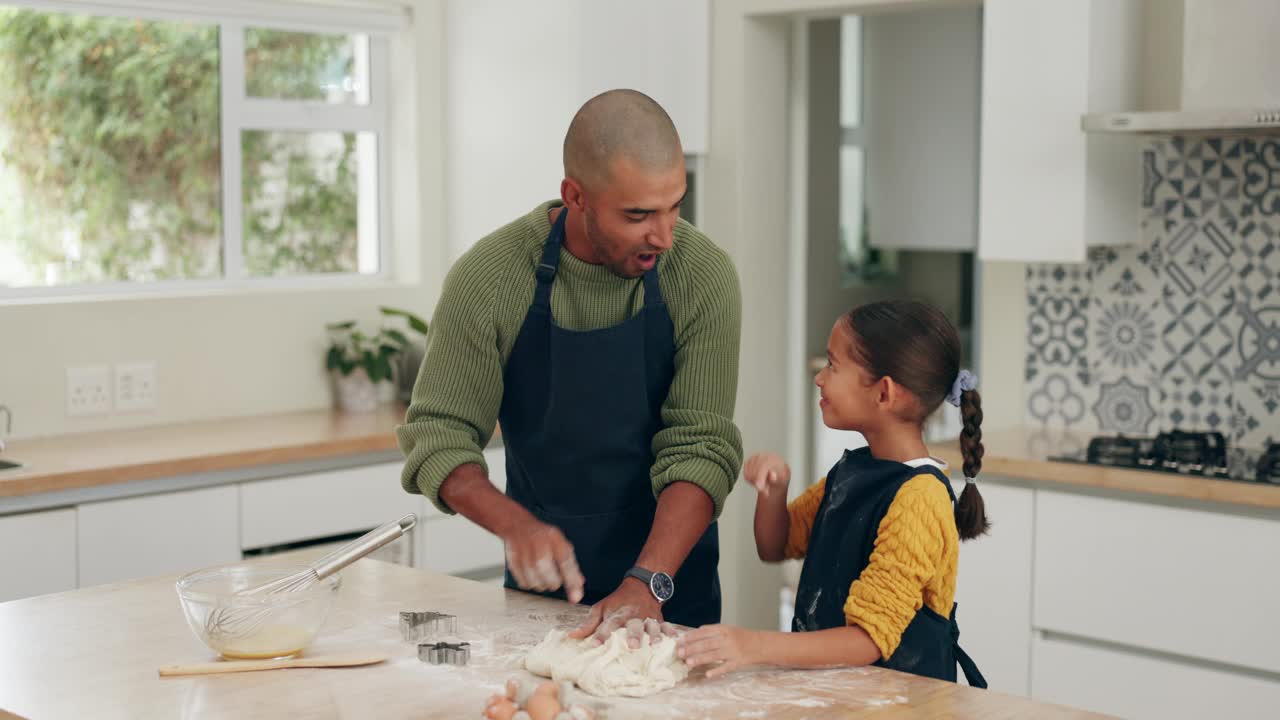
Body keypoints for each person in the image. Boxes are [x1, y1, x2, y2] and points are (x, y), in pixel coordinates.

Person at [397, 89, 743, 643]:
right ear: (575, 196)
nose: (664, 236)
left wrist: (647, 582)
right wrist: (516, 526)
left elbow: (700, 446)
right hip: (541, 601)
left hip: (670, 591)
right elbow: (438, 436)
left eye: (675, 205)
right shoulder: (490, 278)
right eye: (638, 215)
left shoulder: (702, 276)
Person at [677, 300, 988, 686]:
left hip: (900, 706)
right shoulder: (851, 471)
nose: (819, 378)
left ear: (884, 393)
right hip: (836, 693)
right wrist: (774, 493)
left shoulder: (920, 498)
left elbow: (868, 639)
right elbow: (776, 545)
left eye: (833, 365)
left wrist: (752, 645)